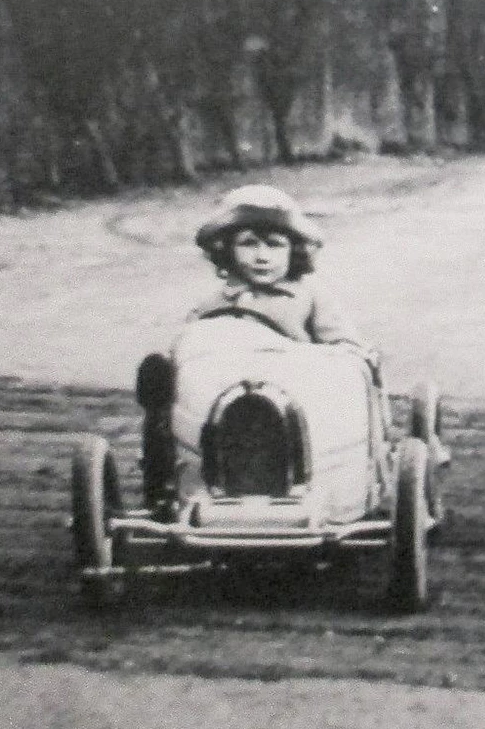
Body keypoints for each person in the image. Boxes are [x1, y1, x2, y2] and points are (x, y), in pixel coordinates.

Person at [135, 184, 369, 509]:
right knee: (169, 378)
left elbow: (347, 348)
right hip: (223, 401)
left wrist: (328, 356)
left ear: (294, 251)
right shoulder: (214, 303)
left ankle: (320, 486)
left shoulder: (310, 296)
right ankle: (165, 479)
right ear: (227, 250)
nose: (261, 256)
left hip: (295, 397)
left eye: (275, 245)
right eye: (248, 244)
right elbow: (192, 349)